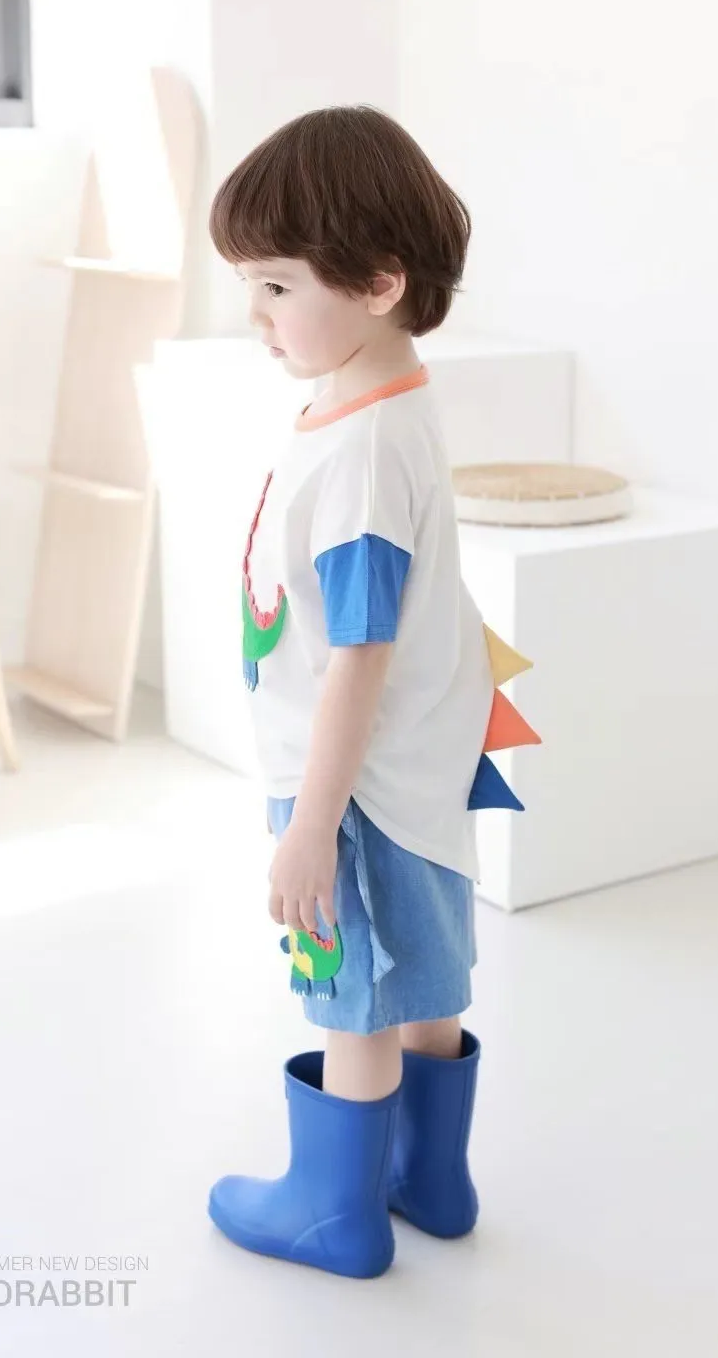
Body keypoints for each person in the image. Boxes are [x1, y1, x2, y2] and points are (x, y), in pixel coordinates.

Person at [206, 105, 528, 1279]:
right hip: (412, 774)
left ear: (381, 281)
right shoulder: (383, 400)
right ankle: (429, 1180)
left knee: (353, 998)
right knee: (424, 975)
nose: (256, 314)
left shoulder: (363, 453)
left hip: (355, 788)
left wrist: (314, 825)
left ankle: (333, 1213)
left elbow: (359, 654)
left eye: (276, 286)